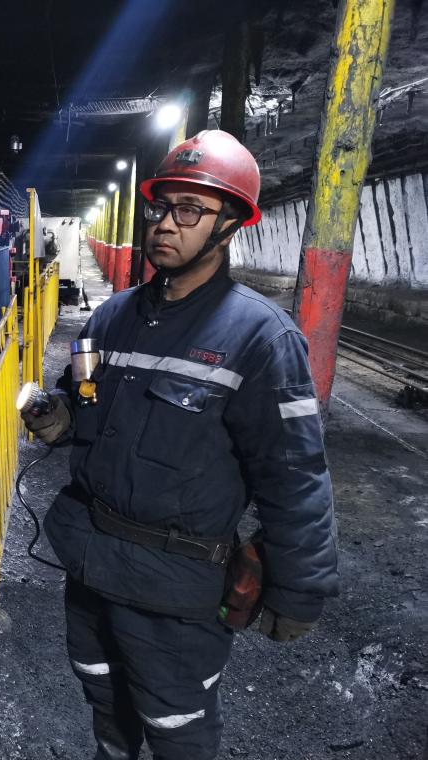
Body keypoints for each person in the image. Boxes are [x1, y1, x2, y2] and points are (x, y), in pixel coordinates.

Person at [23, 130, 339, 760]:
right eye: (161, 207)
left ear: (230, 224)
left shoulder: (262, 339)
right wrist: (59, 414)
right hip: (90, 563)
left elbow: (296, 475)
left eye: (190, 210)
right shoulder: (110, 317)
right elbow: (82, 392)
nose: (166, 223)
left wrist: (300, 589)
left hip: (174, 588)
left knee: (177, 729)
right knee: (105, 702)